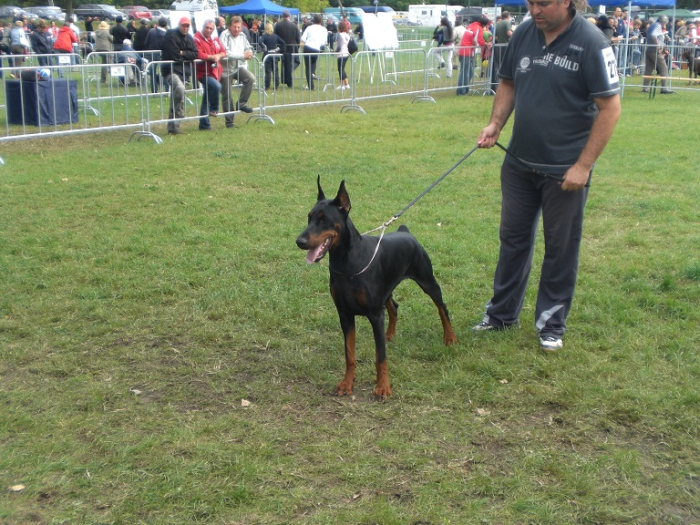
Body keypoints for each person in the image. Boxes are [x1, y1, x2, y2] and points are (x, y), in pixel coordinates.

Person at [474, 0, 621, 353]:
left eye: (543, 3)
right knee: (513, 241)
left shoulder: (592, 42)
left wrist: (583, 166)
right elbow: (508, 82)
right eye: (530, 2)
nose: (535, 10)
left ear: (567, 1)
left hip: (565, 170)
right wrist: (496, 123)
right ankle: (501, 315)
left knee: (560, 248)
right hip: (518, 163)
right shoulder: (524, 32)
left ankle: (551, 324)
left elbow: (610, 108)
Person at [160, 16, 198, 135]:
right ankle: (178, 112)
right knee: (180, 89)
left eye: (187, 26)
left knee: (176, 97)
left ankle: (173, 128)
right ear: (179, 25)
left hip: (183, 71)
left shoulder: (189, 37)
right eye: (183, 25)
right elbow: (174, 55)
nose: (185, 28)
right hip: (170, 70)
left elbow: (195, 54)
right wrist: (185, 55)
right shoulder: (170, 35)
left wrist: (183, 53)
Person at [219, 16, 256, 129]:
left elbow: (249, 47)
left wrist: (250, 52)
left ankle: (241, 103)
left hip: (237, 67)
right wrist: (242, 56)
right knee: (227, 95)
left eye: (238, 27)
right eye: (234, 27)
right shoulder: (224, 35)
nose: (236, 29)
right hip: (225, 69)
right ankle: (229, 122)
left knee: (250, 78)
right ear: (230, 26)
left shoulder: (242, 35)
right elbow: (225, 53)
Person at [193, 19, 226, 131]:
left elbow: (223, 51)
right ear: (203, 27)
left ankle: (204, 124)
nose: (208, 30)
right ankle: (214, 109)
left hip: (214, 72)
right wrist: (211, 57)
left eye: (211, 28)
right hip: (203, 72)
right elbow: (198, 54)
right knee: (216, 86)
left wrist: (218, 55)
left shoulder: (214, 39)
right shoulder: (196, 38)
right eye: (207, 28)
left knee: (206, 98)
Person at [456, 16, 487, 96]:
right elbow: (479, 40)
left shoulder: (471, 26)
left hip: (465, 50)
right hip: (466, 51)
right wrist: (486, 44)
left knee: (469, 72)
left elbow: (473, 40)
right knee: (465, 72)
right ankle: (461, 91)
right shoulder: (478, 28)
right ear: (483, 25)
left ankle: (465, 89)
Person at [642, 15, 673, 94]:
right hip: (655, 51)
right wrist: (658, 45)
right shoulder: (658, 26)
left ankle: (645, 88)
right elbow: (653, 36)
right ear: (663, 22)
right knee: (664, 68)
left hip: (649, 49)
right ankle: (664, 88)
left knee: (648, 69)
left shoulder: (652, 25)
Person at [274, 9, 300, 88]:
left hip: (281, 48)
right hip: (292, 48)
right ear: (289, 16)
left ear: (282, 16)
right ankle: (289, 81)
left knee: (285, 64)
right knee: (293, 63)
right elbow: (298, 39)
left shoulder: (277, 25)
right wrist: (297, 46)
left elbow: (275, 37)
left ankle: (286, 78)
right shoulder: (294, 26)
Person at [300, 14, 327, 90]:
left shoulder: (309, 28)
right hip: (316, 49)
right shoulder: (324, 29)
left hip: (308, 47)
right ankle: (312, 75)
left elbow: (303, 38)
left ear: (313, 20)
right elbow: (324, 42)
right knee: (313, 64)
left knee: (308, 67)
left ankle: (310, 86)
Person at [144, 17, 169, 92]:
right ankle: (167, 89)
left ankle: (154, 90)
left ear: (158, 23)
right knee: (165, 72)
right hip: (163, 54)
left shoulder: (151, 31)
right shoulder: (167, 33)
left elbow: (146, 43)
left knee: (152, 73)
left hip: (152, 53)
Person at [491, 10, 513, 91]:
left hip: (498, 46)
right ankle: (507, 84)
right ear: (508, 16)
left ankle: (497, 84)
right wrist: (516, 35)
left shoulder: (497, 23)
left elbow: (496, 37)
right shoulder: (507, 23)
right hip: (506, 46)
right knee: (508, 66)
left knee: (499, 66)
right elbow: (509, 33)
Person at [259, 21, 285, 90]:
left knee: (268, 71)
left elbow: (260, 42)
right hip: (275, 54)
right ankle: (276, 86)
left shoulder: (264, 36)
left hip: (267, 55)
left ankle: (267, 86)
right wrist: (278, 49)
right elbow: (283, 43)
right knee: (275, 71)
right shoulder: (275, 36)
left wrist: (264, 48)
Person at [335, 19, 351, 90]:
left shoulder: (340, 35)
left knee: (340, 69)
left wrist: (335, 51)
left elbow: (339, 46)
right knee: (342, 69)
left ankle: (345, 85)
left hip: (341, 54)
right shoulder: (347, 35)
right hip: (346, 53)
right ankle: (344, 85)